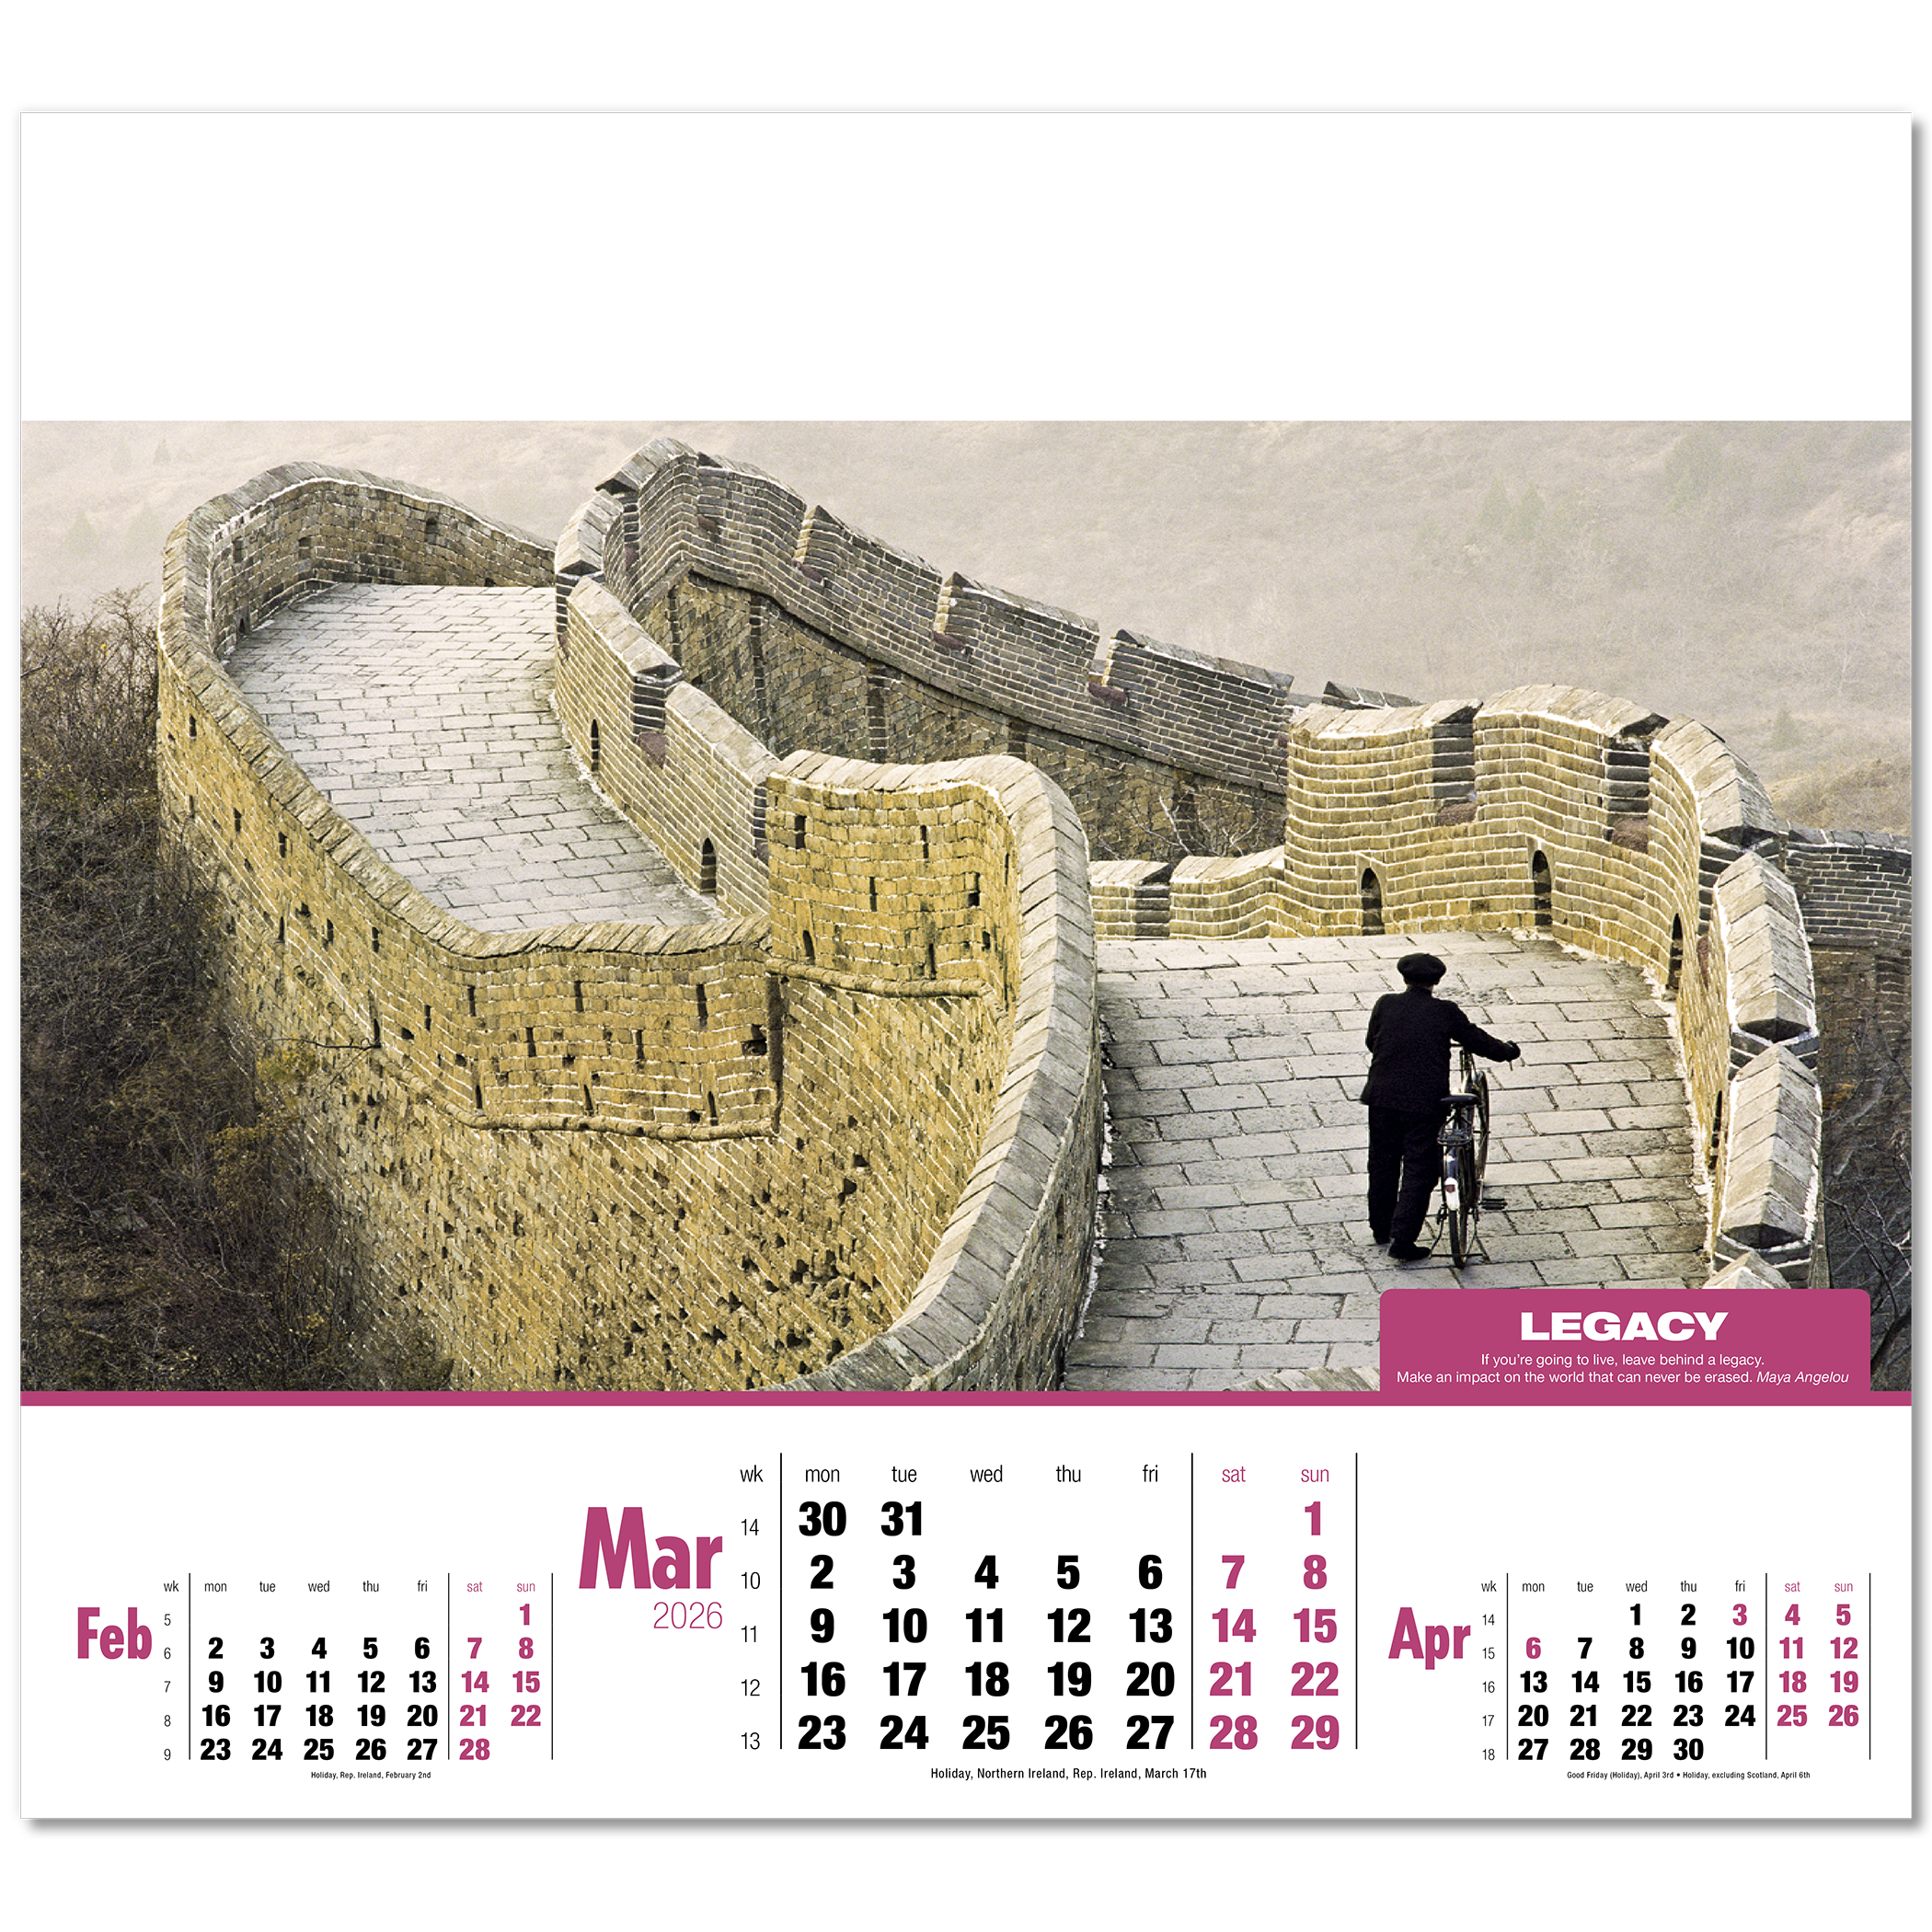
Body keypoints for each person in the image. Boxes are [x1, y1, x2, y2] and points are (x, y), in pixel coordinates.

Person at [1360, 951, 1521, 1262]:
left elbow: (1372, 1042)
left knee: (1382, 1163)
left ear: (1404, 977)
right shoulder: (1444, 1011)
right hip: (1422, 1103)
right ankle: (1403, 1239)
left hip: (1381, 1097)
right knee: (1419, 1169)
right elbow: (1477, 1040)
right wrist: (1508, 1051)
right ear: (1436, 980)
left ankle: (1381, 1227)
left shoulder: (1385, 1004)